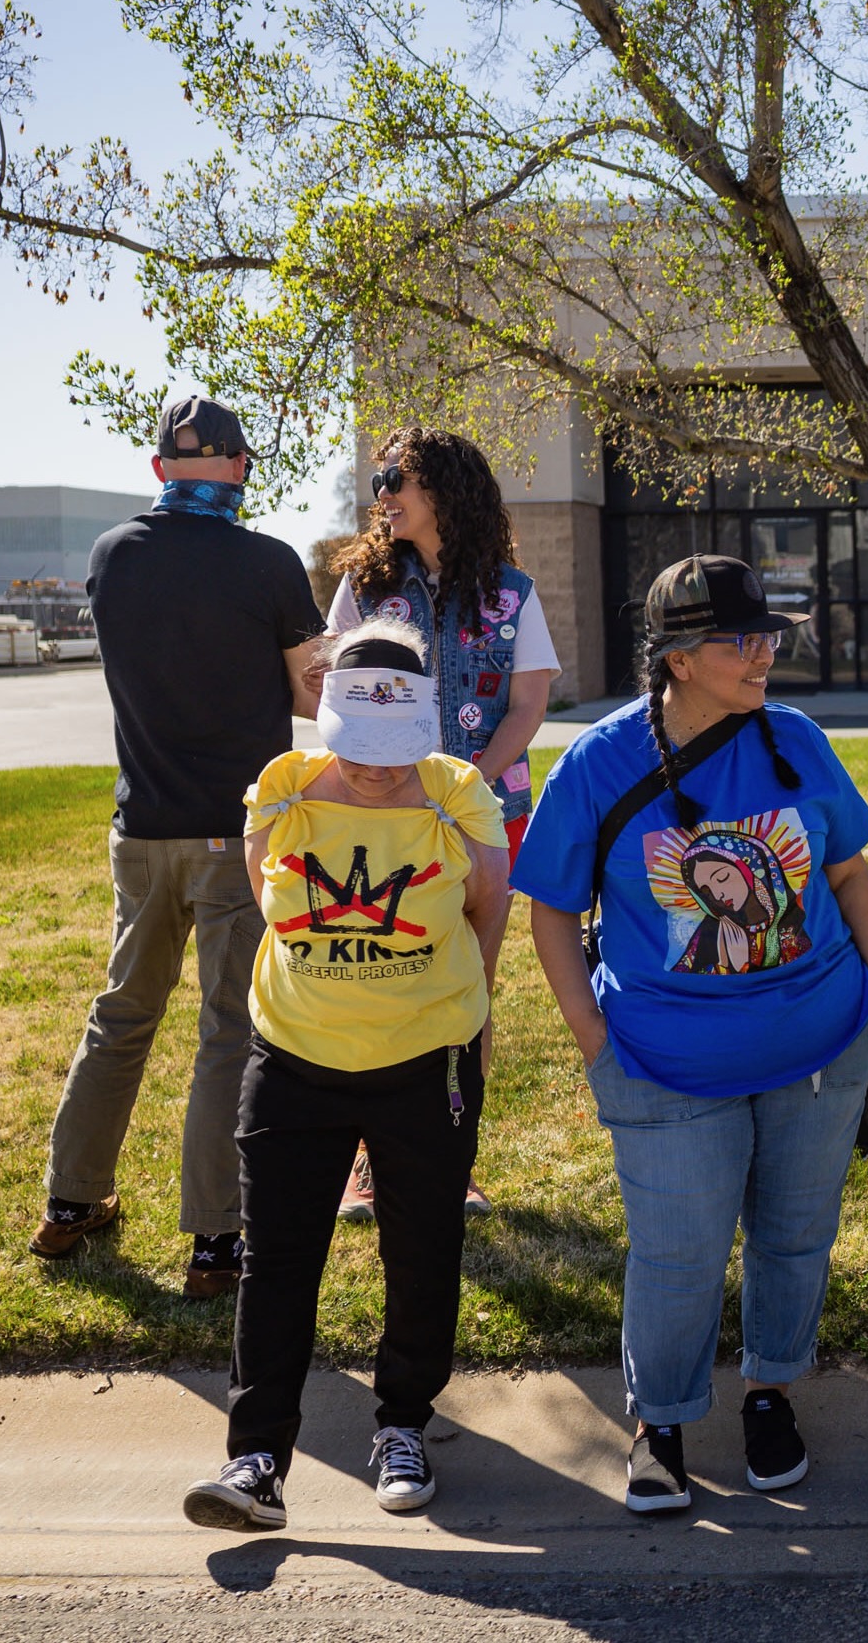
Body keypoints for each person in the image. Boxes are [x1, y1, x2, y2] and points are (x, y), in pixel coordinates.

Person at [513, 556, 868, 1514]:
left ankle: (769, 1390)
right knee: (678, 1254)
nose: (767, 654)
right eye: (745, 642)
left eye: (772, 637)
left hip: (821, 1043)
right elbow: (553, 911)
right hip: (662, 1063)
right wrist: (594, 1040)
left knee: (795, 1238)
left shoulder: (795, 739)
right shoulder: (600, 761)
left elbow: (849, 871)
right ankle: (662, 1418)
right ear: (681, 658)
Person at [181, 620, 510, 1531]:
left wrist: (463, 1022)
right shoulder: (280, 792)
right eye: (359, 752)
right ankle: (255, 1462)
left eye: (396, 755)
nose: (376, 771)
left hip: (423, 1065)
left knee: (422, 1251)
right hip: (294, 1059)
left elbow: (488, 908)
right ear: (325, 717)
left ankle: (403, 1424)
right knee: (278, 1261)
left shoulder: (459, 796)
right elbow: (271, 906)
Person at [33, 397, 326, 1299]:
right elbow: (316, 698)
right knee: (228, 1036)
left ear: (162, 470)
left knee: (120, 1015)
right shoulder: (268, 563)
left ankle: (70, 1203)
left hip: (141, 830)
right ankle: (214, 1243)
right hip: (233, 832)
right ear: (237, 467)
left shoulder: (111, 556)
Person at [326, 426, 558, 1224]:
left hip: (483, 822)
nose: (382, 492)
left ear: (444, 490)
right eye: (379, 477)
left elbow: (530, 703)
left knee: (468, 994)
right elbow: (330, 690)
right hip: (378, 822)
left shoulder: (512, 592)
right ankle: (367, 1169)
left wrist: (465, 785)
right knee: (377, 988)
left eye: (397, 477)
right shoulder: (362, 587)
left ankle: (452, 1165)